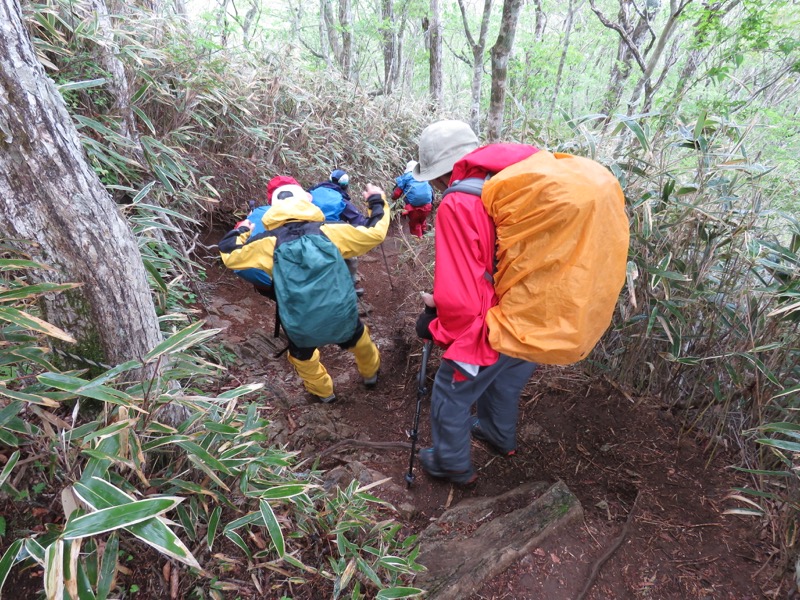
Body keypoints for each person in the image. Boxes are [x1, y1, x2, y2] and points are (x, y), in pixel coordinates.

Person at [411, 120, 540, 485]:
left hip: (493, 322)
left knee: (450, 390)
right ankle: (499, 435)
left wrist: (436, 325)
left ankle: (451, 463)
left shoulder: (459, 201)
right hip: (533, 313)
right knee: (505, 379)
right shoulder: (509, 184)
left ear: (441, 172)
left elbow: (463, 294)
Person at [219, 182, 390, 403]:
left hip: (299, 322)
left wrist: (243, 229)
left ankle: (324, 394)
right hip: (340, 314)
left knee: (303, 358)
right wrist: (376, 200)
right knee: (360, 340)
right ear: (308, 200)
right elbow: (374, 233)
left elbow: (229, 253)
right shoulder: (331, 231)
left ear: (272, 208)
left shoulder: (267, 243)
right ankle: (371, 375)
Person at [309, 169, 368, 295]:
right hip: (332, 236)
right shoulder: (341, 200)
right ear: (345, 185)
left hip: (307, 235)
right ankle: (351, 287)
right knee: (350, 258)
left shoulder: (311, 193)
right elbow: (357, 221)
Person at [392, 160, 433, 238]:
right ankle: (424, 236)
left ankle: (418, 242)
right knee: (422, 220)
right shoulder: (423, 176)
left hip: (414, 208)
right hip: (427, 206)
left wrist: (393, 198)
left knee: (415, 224)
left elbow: (397, 193)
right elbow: (431, 191)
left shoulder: (405, 177)